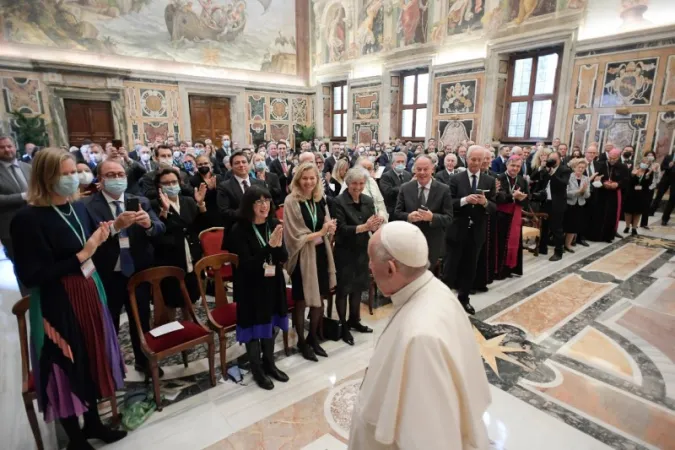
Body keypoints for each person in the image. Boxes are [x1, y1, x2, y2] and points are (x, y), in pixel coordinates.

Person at [10, 148, 127, 449]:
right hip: (57, 301)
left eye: (74, 171)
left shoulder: (79, 207)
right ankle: (75, 437)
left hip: (88, 289)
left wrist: (114, 228)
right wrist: (83, 254)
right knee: (66, 363)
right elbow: (33, 275)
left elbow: (90, 241)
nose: (73, 178)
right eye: (65, 174)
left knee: (91, 357)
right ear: (45, 177)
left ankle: (93, 423)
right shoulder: (27, 219)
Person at [349, 221, 491, 450]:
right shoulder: (434, 289)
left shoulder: (420, 339)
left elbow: (430, 439)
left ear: (391, 269)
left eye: (371, 260)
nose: (369, 267)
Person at [85, 159, 165, 375]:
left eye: (120, 174)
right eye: (110, 175)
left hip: (138, 271)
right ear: (100, 180)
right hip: (108, 273)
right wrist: (114, 228)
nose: (117, 179)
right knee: (107, 322)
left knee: (140, 317)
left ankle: (143, 360)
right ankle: (109, 366)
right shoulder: (89, 207)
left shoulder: (139, 201)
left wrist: (148, 224)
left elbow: (159, 228)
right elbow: (85, 242)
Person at [226, 185, 289, 390]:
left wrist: (278, 246)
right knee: (254, 328)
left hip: (272, 281)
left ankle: (269, 363)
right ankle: (257, 369)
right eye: (259, 201)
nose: (264, 205)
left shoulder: (272, 223)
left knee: (270, 324)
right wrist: (268, 246)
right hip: (250, 286)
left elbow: (283, 257)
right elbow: (247, 265)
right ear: (249, 205)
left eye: (267, 201)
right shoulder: (239, 229)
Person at [283, 163, 337, 361]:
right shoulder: (291, 201)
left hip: (320, 253)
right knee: (302, 300)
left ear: (317, 180)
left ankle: (313, 337)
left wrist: (329, 229)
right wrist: (321, 232)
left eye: (312, 178)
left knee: (319, 298)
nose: (308, 182)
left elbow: (325, 222)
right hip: (302, 257)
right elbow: (294, 235)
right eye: (304, 178)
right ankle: (301, 341)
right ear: (298, 179)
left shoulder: (319, 199)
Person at [443, 146, 497, 314]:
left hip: (476, 232)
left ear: (483, 161)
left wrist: (485, 203)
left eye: (479, 160)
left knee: (470, 268)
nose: (475, 163)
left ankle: (464, 299)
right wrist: (465, 200)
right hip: (457, 230)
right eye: (472, 159)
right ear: (467, 159)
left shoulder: (488, 181)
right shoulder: (456, 179)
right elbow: (449, 204)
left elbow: (494, 207)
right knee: (450, 268)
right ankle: (443, 301)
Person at [334, 168, 382, 345]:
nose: (358, 187)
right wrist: (364, 226)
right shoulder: (338, 201)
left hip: (362, 249)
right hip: (344, 251)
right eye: (354, 183)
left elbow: (372, 223)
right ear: (347, 183)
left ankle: (355, 320)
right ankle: (344, 326)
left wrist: (376, 224)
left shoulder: (368, 200)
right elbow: (340, 229)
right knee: (344, 290)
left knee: (358, 287)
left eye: (361, 183)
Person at [152, 169, 207, 308]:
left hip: (191, 253)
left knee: (190, 299)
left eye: (174, 182)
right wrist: (165, 211)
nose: (171, 185)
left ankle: (190, 323)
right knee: (171, 301)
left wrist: (200, 205)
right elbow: (158, 232)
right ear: (159, 186)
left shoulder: (187, 201)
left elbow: (198, 225)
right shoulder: (153, 205)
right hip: (170, 257)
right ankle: (172, 328)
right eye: (166, 183)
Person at [394, 155, 453, 267]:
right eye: (419, 169)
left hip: (433, 242)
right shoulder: (405, 188)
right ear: (414, 170)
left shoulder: (443, 189)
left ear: (432, 169)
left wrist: (432, 218)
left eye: (425, 169)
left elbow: (449, 218)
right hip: (410, 241)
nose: (422, 172)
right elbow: (397, 213)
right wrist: (409, 217)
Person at [0, 135, 31, 289]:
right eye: (2, 147)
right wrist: (22, 197)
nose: (7, 150)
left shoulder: (27, 167)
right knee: (21, 265)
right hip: (10, 227)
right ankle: (28, 300)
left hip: (35, 223)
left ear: (15, 147)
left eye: (9, 146)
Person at [217, 151, 265, 245]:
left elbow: (269, 204)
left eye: (244, 162)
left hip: (260, 231)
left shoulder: (260, 183)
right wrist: (248, 213)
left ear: (249, 164)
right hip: (238, 234)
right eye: (237, 163)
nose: (241, 165)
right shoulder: (224, 187)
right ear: (231, 166)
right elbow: (224, 212)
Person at [494, 156, 529, 280]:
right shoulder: (498, 178)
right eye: (513, 165)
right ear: (507, 165)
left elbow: (527, 199)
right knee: (501, 243)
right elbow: (498, 197)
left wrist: (522, 198)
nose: (515, 168)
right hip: (501, 216)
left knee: (514, 243)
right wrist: (513, 197)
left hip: (515, 215)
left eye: (518, 166)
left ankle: (511, 268)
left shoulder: (522, 180)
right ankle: (500, 271)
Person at [587, 149, 630, 242]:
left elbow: (626, 180)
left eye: (614, 158)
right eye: (610, 158)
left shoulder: (623, 167)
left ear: (618, 158)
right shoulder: (601, 164)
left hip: (614, 194)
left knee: (611, 214)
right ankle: (595, 236)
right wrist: (603, 182)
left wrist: (617, 184)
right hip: (601, 193)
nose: (611, 160)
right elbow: (596, 177)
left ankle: (608, 236)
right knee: (598, 214)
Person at [189, 154, 223, 230]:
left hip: (219, 213)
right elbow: (196, 199)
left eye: (205, 163)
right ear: (196, 166)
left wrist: (215, 189)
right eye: (200, 164)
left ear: (210, 164)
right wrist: (209, 189)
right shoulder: (193, 180)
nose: (203, 166)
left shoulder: (218, 177)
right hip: (204, 214)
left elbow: (223, 195)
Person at [564, 158, 591, 252]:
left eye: (583, 168)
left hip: (579, 205)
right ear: (574, 167)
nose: (581, 169)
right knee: (565, 225)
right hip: (569, 204)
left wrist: (583, 192)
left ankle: (568, 245)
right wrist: (578, 191)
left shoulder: (586, 179)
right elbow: (566, 193)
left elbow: (588, 195)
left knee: (573, 226)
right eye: (579, 167)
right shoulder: (568, 177)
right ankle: (560, 244)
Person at [623, 157, 654, 236]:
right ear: (640, 163)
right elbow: (629, 182)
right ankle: (627, 226)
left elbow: (648, 184)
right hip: (631, 193)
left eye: (647, 163)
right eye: (644, 162)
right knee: (628, 211)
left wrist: (647, 175)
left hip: (642, 194)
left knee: (638, 211)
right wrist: (633, 175)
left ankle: (634, 228)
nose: (645, 164)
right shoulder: (634, 170)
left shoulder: (649, 172)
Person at [380, 152, 412, 218]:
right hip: (392, 209)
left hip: (406, 210)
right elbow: (388, 192)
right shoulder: (386, 176)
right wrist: (406, 186)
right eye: (398, 162)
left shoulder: (408, 175)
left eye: (403, 162)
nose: (400, 164)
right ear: (392, 164)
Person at [651, 151, 675, 226]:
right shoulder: (668, 157)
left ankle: (665, 218)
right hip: (666, 178)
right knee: (659, 194)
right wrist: (669, 166)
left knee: (673, 198)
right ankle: (651, 211)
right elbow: (662, 167)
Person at [640, 150, 661, 229]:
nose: (650, 156)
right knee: (639, 204)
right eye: (648, 155)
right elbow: (640, 175)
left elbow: (658, 177)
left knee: (647, 205)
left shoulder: (656, 165)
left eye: (651, 155)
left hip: (650, 187)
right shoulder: (642, 164)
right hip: (641, 186)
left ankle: (644, 223)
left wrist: (654, 171)